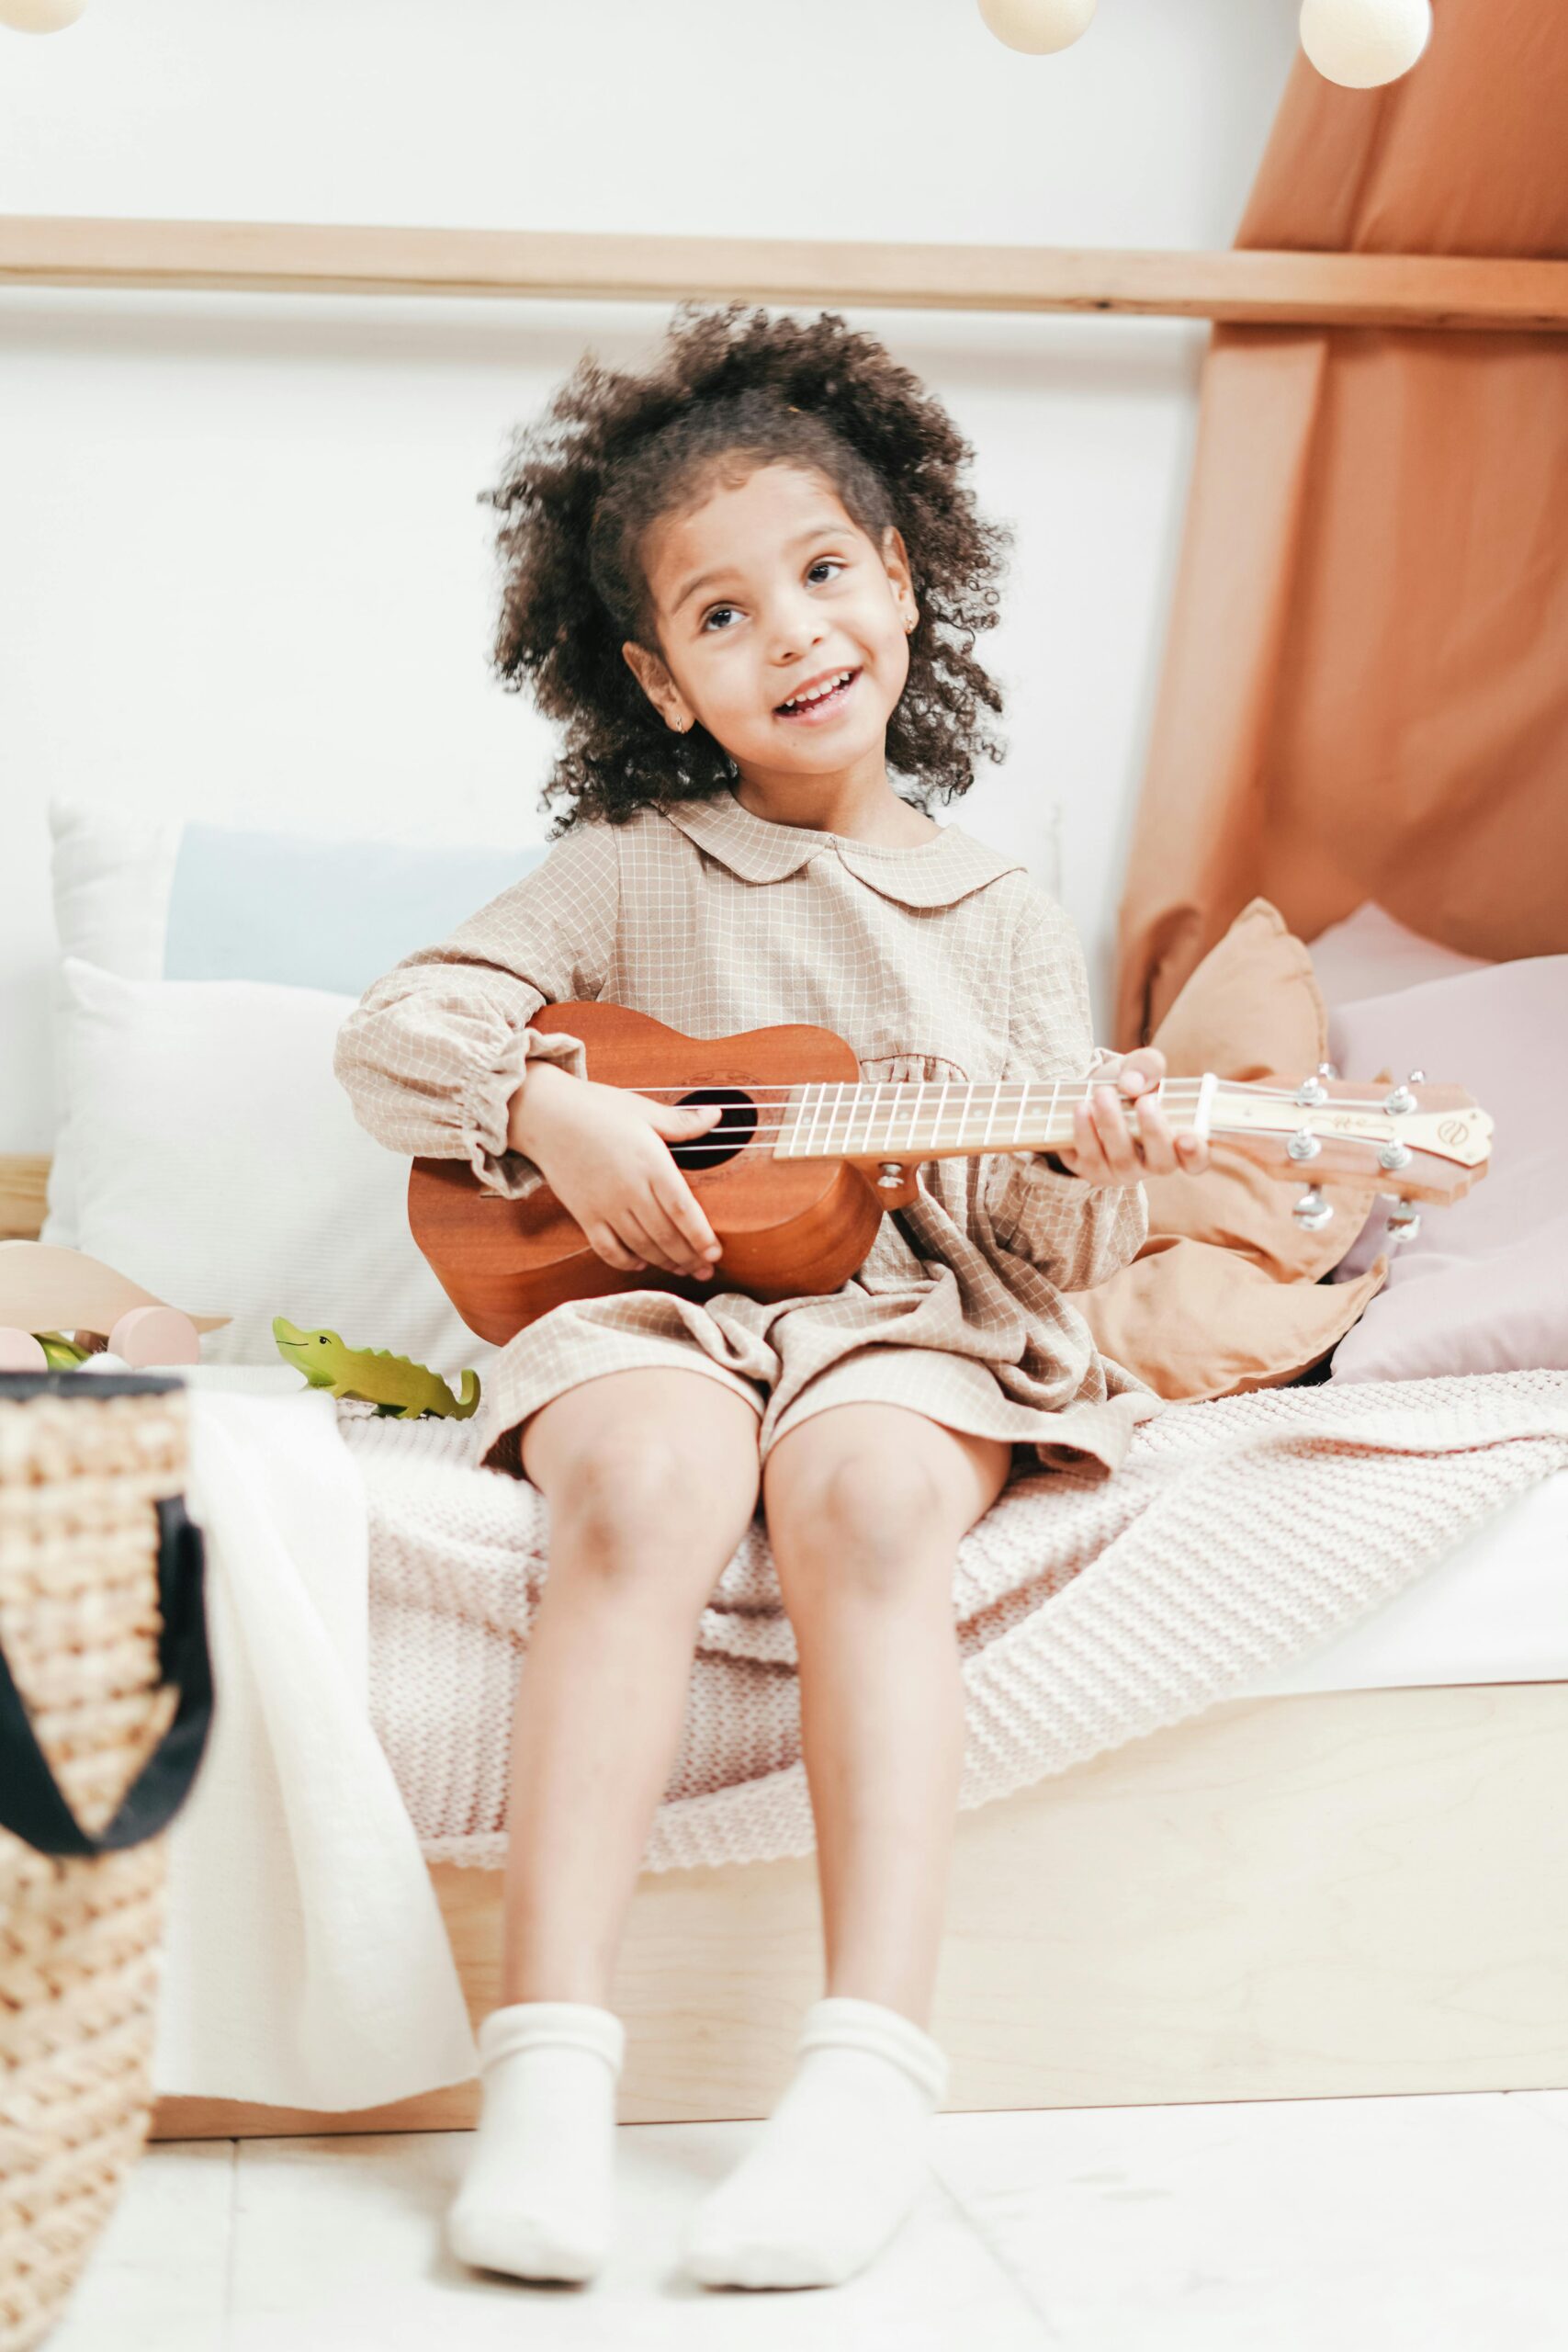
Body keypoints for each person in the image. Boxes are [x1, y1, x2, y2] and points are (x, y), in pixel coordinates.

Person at [333, 303, 1212, 2295]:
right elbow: (395, 1033)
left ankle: (866, 2072)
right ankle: (545, 2063)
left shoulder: (992, 914)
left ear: (899, 584)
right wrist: (546, 1108)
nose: (791, 631)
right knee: (641, 1487)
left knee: (872, 1500)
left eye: (822, 573)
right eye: (721, 613)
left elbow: (1021, 1231)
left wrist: (1080, 1159)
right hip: (659, 1307)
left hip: (898, 1316)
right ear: (656, 673)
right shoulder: (625, 868)